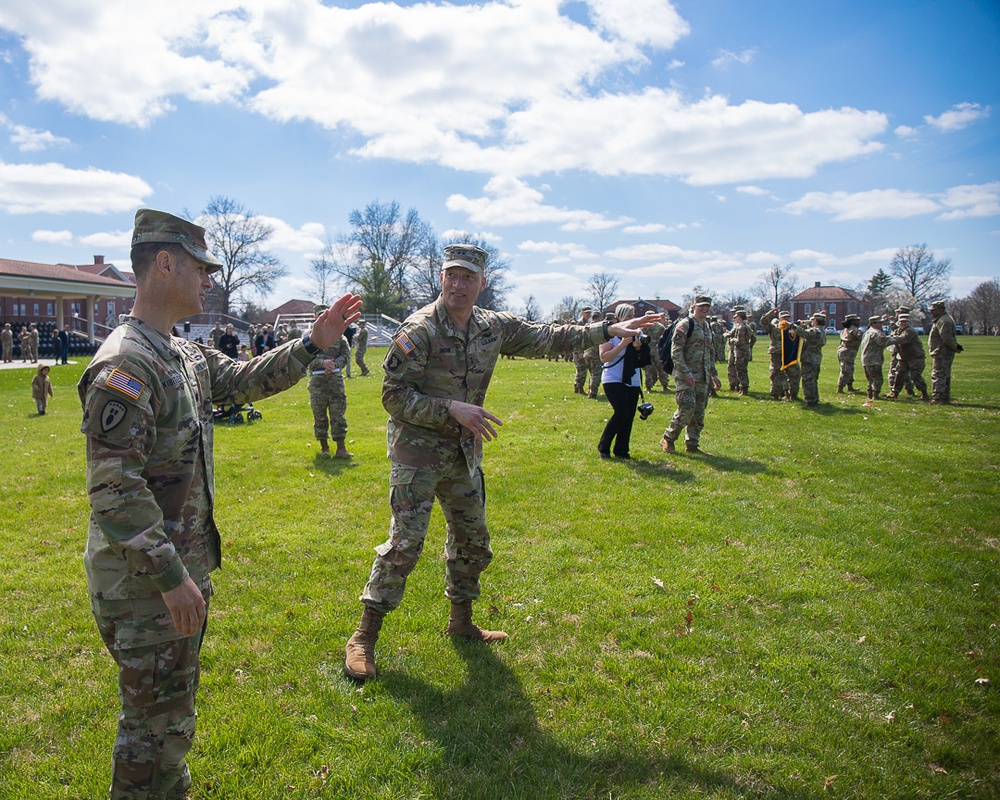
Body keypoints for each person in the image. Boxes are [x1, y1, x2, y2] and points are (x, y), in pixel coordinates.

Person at [78, 208, 361, 800]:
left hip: (172, 573)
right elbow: (115, 488)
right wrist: (173, 578)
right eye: (200, 267)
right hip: (147, 583)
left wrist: (312, 343)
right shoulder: (128, 362)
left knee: (168, 724)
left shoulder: (177, 352)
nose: (209, 279)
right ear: (164, 263)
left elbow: (246, 381)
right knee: (151, 734)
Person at [343, 244, 660, 681]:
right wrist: (451, 408)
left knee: (473, 539)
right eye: (452, 275)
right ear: (441, 279)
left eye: (468, 277)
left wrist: (606, 327)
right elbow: (392, 397)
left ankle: (461, 622)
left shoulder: (493, 326)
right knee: (405, 545)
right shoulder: (420, 330)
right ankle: (364, 636)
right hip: (417, 453)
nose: (459, 284)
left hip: (462, 453)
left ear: (481, 283)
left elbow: (549, 336)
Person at [659, 295, 720, 455]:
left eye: (707, 306)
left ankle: (692, 444)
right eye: (701, 306)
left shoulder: (706, 326)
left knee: (699, 412)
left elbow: (710, 352)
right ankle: (668, 438)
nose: (705, 309)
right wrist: (685, 372)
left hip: (703, 377)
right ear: (693, 307)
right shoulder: (685, 324)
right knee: (686, 408)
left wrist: (713, 374)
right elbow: (676, 351)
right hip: (685, 376)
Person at [597, 303, 646, 459]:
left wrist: (638, 348)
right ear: (619, 317)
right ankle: (603, 446)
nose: (631, 320)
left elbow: (644, 360)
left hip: (632, 378)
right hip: (613, 378)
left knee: (629, 415)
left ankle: (622, 450)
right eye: (628, 317)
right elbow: (604, 357)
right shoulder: (609, 334)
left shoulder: (637, 333)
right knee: (621, 412)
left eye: (633, 316)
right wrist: (623, 344)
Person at [308, 303, 353, 457]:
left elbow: (346, 355)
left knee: (338, 414)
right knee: (319, 415)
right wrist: (322, 363)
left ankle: (341, 448)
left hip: (335, 380)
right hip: (317, 381)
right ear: (315, 317)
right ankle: (324, 448)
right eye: (320, 316)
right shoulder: (308, 338)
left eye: (325, 315)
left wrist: (334, 364)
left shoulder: (340, 337)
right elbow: (305, 359)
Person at [759, 308, 800, 400]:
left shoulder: (793, 328)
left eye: (788, 317)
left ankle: (792, 394)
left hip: (790, 354)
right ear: (780, 318)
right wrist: (770, 313)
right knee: (776, 374)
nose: (786, 319)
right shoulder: (774, 327)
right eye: (784, 317)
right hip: (777, 354)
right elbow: (763, 322)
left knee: (794, 374)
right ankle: (775, 395)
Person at [887, 314, 929, 400]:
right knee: (899, 374)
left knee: (915, 375)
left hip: (915, 357)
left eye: (905, 321)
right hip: (903, 357)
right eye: (901, 321)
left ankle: (924, 393)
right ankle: (895, 392)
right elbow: (892, 337)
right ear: (898, 323)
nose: (903, 323)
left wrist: (886, 340)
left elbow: (902, 339)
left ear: (908, 322)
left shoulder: (910, 331)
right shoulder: (898, 331)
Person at [928, 300, 961, 404]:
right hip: (942, 351)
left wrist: (955, 347)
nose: (931, 312)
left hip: (941, 352)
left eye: (933, 310)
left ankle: (938, 397)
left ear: (941, 309)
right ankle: (944, 397)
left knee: (938, 374)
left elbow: (946, 337)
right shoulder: (942, 319)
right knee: (944, 374)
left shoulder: (943, 321)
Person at [860, 316, 895, 402]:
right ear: (873, 323)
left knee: (870, 379)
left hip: (866, 359)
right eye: (879, 323)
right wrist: (897, 339)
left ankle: (870, 395)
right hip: (873, 359)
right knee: (877, 378)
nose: (881, 324)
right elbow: (882, 343)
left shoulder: (867, 332)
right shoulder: (876, 333)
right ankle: (875, 395)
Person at [796, 312, 827, 406]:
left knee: (807, 380)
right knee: (813, 379)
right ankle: (815, 398)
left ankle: (810, 400)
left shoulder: (815, 331)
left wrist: (792, 326)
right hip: (816, 358)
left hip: (809, 358)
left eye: (813, 320)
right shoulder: (821, 331)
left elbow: (805, 333)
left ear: (816, 321)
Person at [723, 307, 753, 395]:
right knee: (740, 369)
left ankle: (744, 388)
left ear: (739, 317)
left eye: (736, 316)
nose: (734, 318)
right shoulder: (744, 326)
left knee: (741, 370)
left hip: (741, 352)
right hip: (742, 351)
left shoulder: (742, 327)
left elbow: (740, 341)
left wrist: (732, 340)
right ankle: (742, 388)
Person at [642, 316, 670, 392]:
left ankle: (649, 387)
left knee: (649, 369)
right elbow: (665, 338)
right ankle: (664, 386)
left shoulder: (643, 326)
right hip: (657, 351)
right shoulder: (660, 327)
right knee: (660, 369)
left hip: (648, 351)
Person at [836, 315, 863, 393]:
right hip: (848, 352)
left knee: (849, 369)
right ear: (852, 322)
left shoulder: (845, 329)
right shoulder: (853, 330)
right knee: (846, 370)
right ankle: (840, 387)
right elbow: (859, 336)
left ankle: (850, 386)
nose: (858, 322)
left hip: (843, 350)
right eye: (857, 321)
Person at [572, 306, 594, 394]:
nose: (588, 314)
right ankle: (579, 387)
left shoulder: (586, 323)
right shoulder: (580, 323)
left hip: (583, 349)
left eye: (589, 313)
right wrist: (580, 352)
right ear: (582, 313)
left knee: (581, 369)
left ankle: (577, 387)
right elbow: (578, 339)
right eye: (586, 313)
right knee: (582, 369)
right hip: (578, 350)